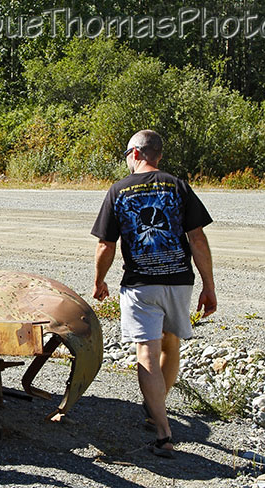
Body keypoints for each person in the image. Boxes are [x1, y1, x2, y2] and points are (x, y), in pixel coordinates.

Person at [90, 129, 217, 458]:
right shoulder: (177, 186)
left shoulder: (118, 190)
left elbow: (106, 244)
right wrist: (209, 285)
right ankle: (156, 409)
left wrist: (98, 280)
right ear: (157, 156)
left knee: (147, 350)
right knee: (170, 341)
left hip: (141, 284)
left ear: (135, 154)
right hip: (179, 280)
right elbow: (198, 239)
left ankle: (163, 433)